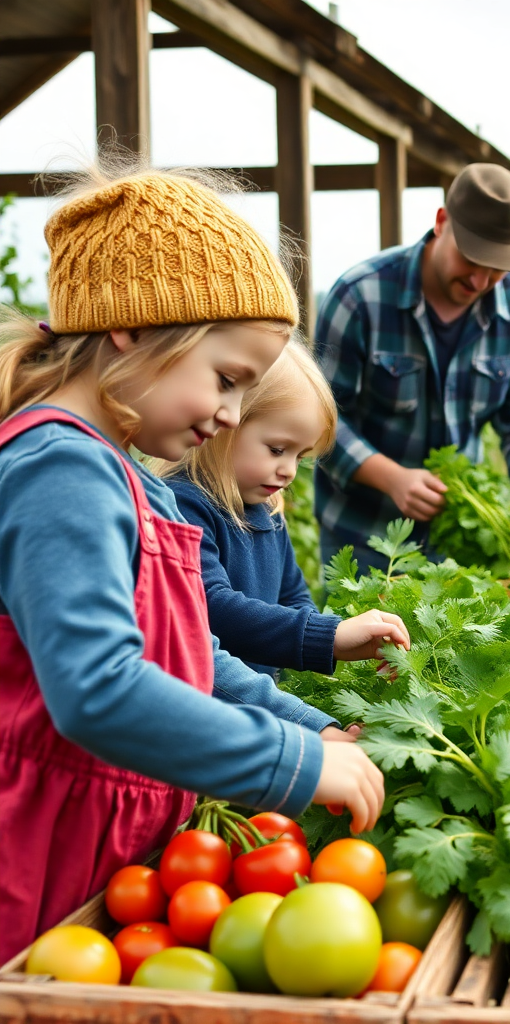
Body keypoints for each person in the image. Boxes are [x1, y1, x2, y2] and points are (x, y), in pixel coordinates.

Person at [0, 166, 409, 962]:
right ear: (131, 329)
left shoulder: (120, 472)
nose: (229, 414)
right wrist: (286, 762)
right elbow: (98, 691)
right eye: (225, 380)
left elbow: (190, 654)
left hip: (108, 840)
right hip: (40, 850)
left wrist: (317, 729)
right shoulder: (60, 470)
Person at [314, 162, 510, 571]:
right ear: (442, 222)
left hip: (458, 541)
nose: (481, 280)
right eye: (472, 258)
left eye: (497, 268)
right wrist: (391, 477)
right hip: (363, 535)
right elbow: (318, 419)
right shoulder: (361, 296)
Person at [158, 338, 405, 678]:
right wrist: (329, 636)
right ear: (225, 424)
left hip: (263, 701)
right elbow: (211, 607)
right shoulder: (184, 503)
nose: (289, 470)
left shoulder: (266, 507)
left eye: (300, 457)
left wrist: (326, 648)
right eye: (277, 450)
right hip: (217, 704)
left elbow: (293, 593)